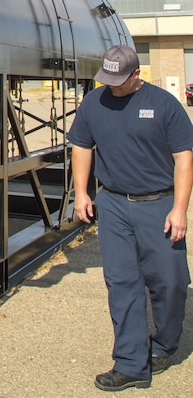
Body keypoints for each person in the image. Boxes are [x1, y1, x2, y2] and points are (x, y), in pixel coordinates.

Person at [68, 45, 193, 392]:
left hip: (159, 206)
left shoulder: (164, 105)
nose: (112, 86)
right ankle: (131, 363)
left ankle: (164, 345)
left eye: (119, 80)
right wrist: (82, 192)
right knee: (122, 283)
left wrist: (180, 208)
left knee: (170, 283)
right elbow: (81, 144)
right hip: (114, 206)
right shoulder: (94, 102)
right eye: (107, 79)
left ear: (137, 75)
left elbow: (184, 158)